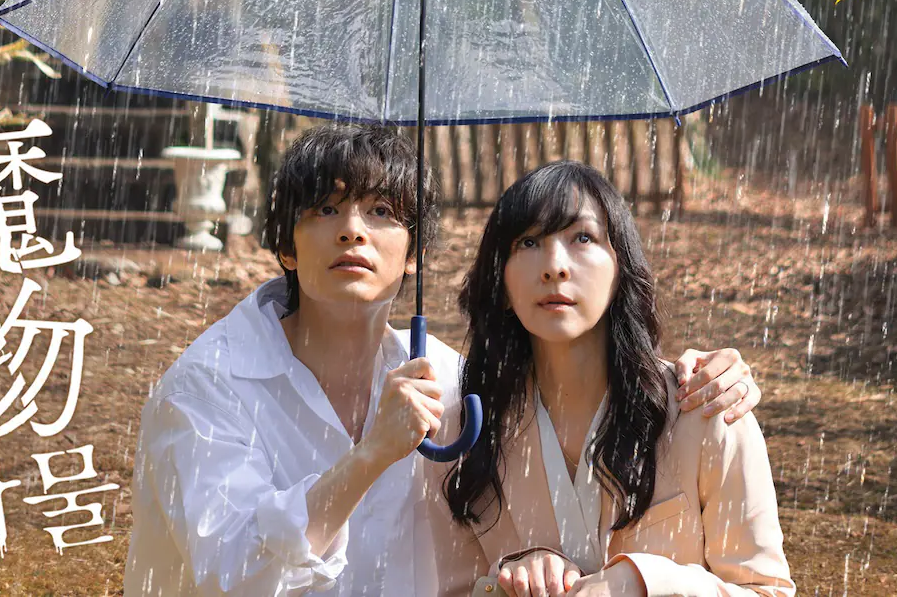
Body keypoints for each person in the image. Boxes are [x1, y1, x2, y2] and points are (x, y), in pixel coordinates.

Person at [124, 125, 762, 596]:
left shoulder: (461, 395)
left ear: (413, 257)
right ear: (285, 247)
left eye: (381, 211)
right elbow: (231, 574)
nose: (352, 230)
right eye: (324, 209)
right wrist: (371, 456)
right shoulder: (207, 389)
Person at [430, 161, 793, 597]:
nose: (554, 267)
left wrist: (645, 582)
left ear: (620, 268)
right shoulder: (464, 434)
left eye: (582, 237)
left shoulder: (705, 411)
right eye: (528, 242)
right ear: (501, 282)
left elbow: (765, 590)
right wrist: (508, 576)